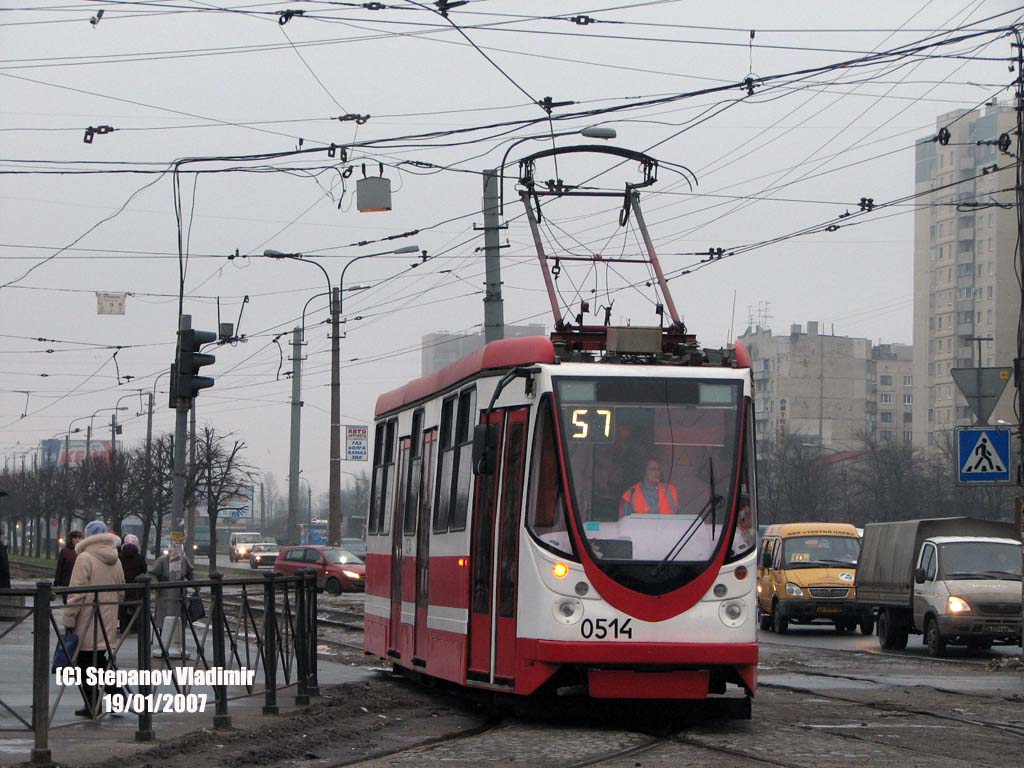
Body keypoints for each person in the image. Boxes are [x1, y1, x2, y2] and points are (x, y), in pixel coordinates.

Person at [63, 520, 125, 718]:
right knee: (99, 660)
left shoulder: (84, 558)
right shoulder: (116, 559)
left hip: (87, 619)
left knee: (84, 664)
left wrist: (69, 618)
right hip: (107, 618)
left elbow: (76, 592)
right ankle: (118, 698)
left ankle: (92, 704)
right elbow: (122, 591)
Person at [150, 540, 194, 657]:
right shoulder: (162, 560)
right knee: (163, 616)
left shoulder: (184, 560)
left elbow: (190, 573)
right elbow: (153, 573)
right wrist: (157, 586)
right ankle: (162, 639)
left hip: (180, 593)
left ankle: (178, 641)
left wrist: (196, 585)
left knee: (180, 617)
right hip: (165, 593)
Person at [117, 534, 147, 633]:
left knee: (123, 608)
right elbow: (144, 571)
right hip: (136, 587)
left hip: (123, 585)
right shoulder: (140, 558)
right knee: (136, 607)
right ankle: (135, 627)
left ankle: (123, 627)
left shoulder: (119, 557)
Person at [53, 530, 83, 604]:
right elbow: (60, 567)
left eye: (79, 538)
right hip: (67, 582)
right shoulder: (65, 551)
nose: (77, 540)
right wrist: (57, 582)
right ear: (71, 539)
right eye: (75, 538)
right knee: (68, 603)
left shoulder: (83, 550)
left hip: (80, 582)